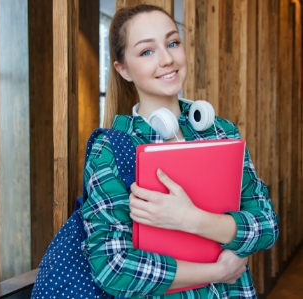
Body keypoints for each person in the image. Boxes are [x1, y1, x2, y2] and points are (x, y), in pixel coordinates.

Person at [81, 4, 279, 298]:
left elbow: (266, 225)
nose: (167, 59)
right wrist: (218, 271)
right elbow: (112, 267)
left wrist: (192, 219)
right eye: (147, 51)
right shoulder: (110, 149)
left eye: (172, 43)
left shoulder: (222, 131)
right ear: (122, 69)